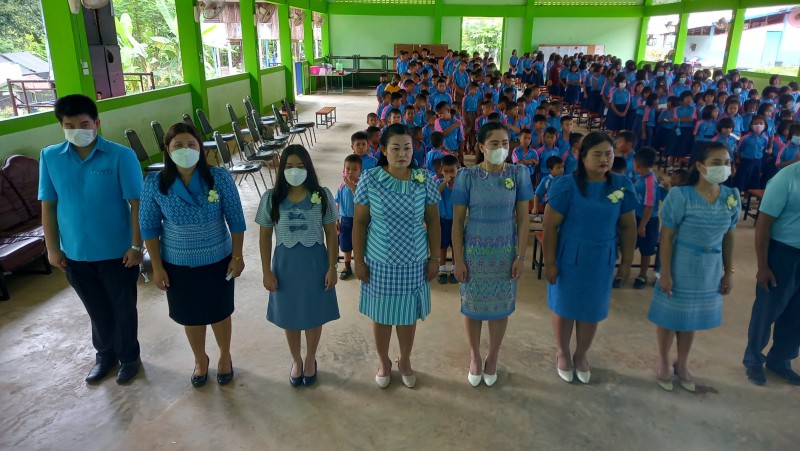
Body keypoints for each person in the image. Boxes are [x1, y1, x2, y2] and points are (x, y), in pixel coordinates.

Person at [38, 94, 144, 384]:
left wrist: (137, 246)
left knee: (123, 309)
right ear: (61, 126)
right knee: (96, 310)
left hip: (118, 253)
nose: (78, 130)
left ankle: (129, 357)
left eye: (84, 124)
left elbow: (137, 203)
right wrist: (52, 248)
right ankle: (105, 356)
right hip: (75, 253)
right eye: (69, 125)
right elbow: (48, 204)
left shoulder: (121, 156)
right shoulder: (50, 157)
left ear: (97, 123)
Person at [139, 123, 245, 387]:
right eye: (178, 145)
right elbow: (149, 227)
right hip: (177, 263)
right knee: (190, 315)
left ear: (200, 148)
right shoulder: (155, 183)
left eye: (191, 144)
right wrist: (157, 267)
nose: (185, 150)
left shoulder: (218, 177)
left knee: (220, 311)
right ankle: (200, 359)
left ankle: (225, 355)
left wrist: (237, 256)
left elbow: (236, 219)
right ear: (167, 149)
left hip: (218, 259)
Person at [543, 132, 637, 384]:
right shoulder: (566, 186)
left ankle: (581, 354)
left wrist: (626, 262)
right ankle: (563, 352)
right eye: (597, 154)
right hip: (569, 258)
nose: (604, 159)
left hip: (601, 259)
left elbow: (628, 226)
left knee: (591, 310)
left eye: (609, 153)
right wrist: (550, 263)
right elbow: (550, 226)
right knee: (564, 307)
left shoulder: (621, 185)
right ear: (582, 156)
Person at [352, 124, 441, 389]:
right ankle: (383, 361)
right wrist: (359, 261)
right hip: (379, 261)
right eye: (396, 148)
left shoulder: (423, 179)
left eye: (407, 148)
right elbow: (359, 223)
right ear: (383, 150)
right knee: (381, 316)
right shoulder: (370, 179)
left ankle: (405, 360)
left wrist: (434, 258)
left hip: (414, 261)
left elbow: (433, 221)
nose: (402, 154)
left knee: (407, 316)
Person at [648, 142, 739, 392]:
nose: (724, 167)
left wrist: (728, 272)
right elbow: (667, 237)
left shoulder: (731, 196)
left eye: (727, 162)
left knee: (692, 317)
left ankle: (682, 362)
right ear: (699, 166)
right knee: (670, 316)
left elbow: (729, 236)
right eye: (717, 163)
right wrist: (666, 273)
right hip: (681, 263)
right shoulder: (681, 196)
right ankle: (663, 359)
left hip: (710, 268)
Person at [452, 122, 533, 387]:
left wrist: (521, 256)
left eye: (505, 143)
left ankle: (493, 356)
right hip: (474, 252)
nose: (501, 148)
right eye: (495, 143)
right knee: (473, 307)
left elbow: (523, 219)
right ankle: (475, 356)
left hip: (505, 251)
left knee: (500, 308)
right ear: (482, 146)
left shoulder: (519, 174)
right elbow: (457, 222)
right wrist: (458, 259)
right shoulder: (467, 176)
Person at [257, 145, 340, 387]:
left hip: (316, 263)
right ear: (281, 169)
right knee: (289, 314)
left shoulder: (322, 196)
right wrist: (266, 271)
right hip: (285, 266)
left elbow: (331, 234)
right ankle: (296, 359)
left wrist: (332, 266)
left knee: (314, 313)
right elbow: (264, 236)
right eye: (289, 166)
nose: (295, 171)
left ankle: (311, 357)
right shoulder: (271, 198)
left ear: (309, 168)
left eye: (300, 166)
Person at [743, 161, 800, 386]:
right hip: (782, 254)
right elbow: (763, 223)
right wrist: (763, 266)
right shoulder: (786, 178)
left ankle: (780, 360)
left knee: (796, 314)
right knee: (767, 310)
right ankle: (754, 360)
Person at [631, 147, 661, 290]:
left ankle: (642, 275)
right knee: (631, 245)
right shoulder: (641, 178)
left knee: (646, 249)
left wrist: (642, 225)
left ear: (638, 164)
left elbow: (649, 205)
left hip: (648, 221)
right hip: (637, 217)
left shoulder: (650, 181)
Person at [336, 154, 362, 280]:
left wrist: (353, 188)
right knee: (346, 244)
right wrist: (336, 219)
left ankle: (360, 266)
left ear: (360, 170)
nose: (350, 172)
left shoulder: (362, 185)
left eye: (354, 169)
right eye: (348, 169)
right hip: (345, 220)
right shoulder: (341, 186)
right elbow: (337, 203)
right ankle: (347, 267)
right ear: (344, 169)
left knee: (359, 244)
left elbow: (362, 200)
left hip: (359, 220)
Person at [436, 155, 459, 284]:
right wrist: (445, 182)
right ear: (441, 171)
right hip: (443, 220)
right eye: (446, 171)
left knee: (456, 246)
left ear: (457, 170)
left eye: (452, 171)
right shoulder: (439, 183)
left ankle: (455, 268)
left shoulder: (460, 183)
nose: (450, 174)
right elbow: (435, 194)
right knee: (442, 246)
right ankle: (442, 269)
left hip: (456, 220)